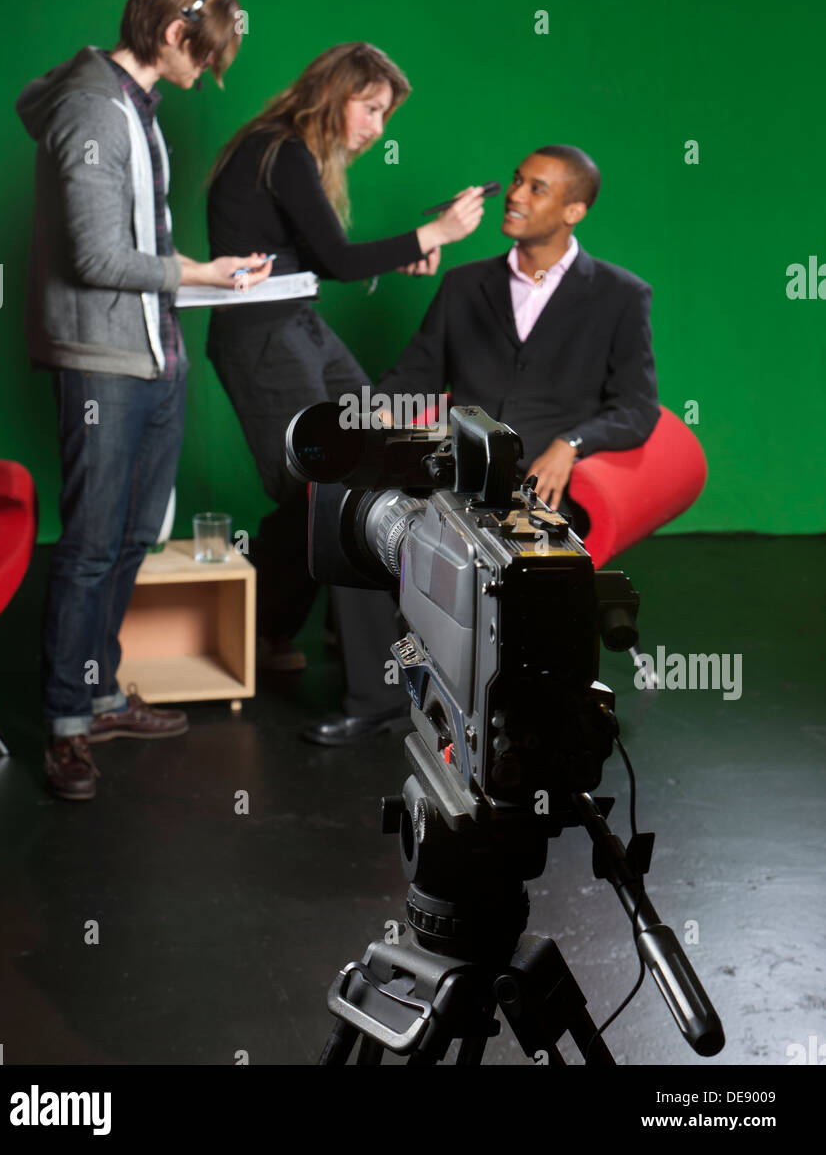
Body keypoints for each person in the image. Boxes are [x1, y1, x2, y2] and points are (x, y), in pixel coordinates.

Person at [17, 0, 272, 801]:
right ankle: (65, 727)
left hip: (156, 352)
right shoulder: (93, 107)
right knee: (91, 545)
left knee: (132, 538)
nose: (205, 77)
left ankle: (96, 688)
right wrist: (202, 273)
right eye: (204, 57)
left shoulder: (133, 104)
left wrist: (197, 280)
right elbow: (94, 257)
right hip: (104, 362)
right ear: (173, 34)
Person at [205, 41, 484, 743]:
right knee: (339, 485)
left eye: (384, 115)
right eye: (371, 109)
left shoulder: (289, 154)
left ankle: (270, 629)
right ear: (336, 96)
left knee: (371, 458)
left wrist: (408, 247)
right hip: (262, 335)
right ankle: (377, 692)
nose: (376, 129)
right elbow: (336, 260)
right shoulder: (280, 149)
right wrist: (434, 231)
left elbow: (318, 262)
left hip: (296, 319)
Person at [377, 145, 660, 518]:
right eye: (516, 180)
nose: (514, 195)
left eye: (536, 188)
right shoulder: (462, 284)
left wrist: (571, 444)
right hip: (453, 477)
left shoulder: (621, 294)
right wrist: (372, 414)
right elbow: (415, 376)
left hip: (545, 491)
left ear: (573, 211)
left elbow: (636, 408)